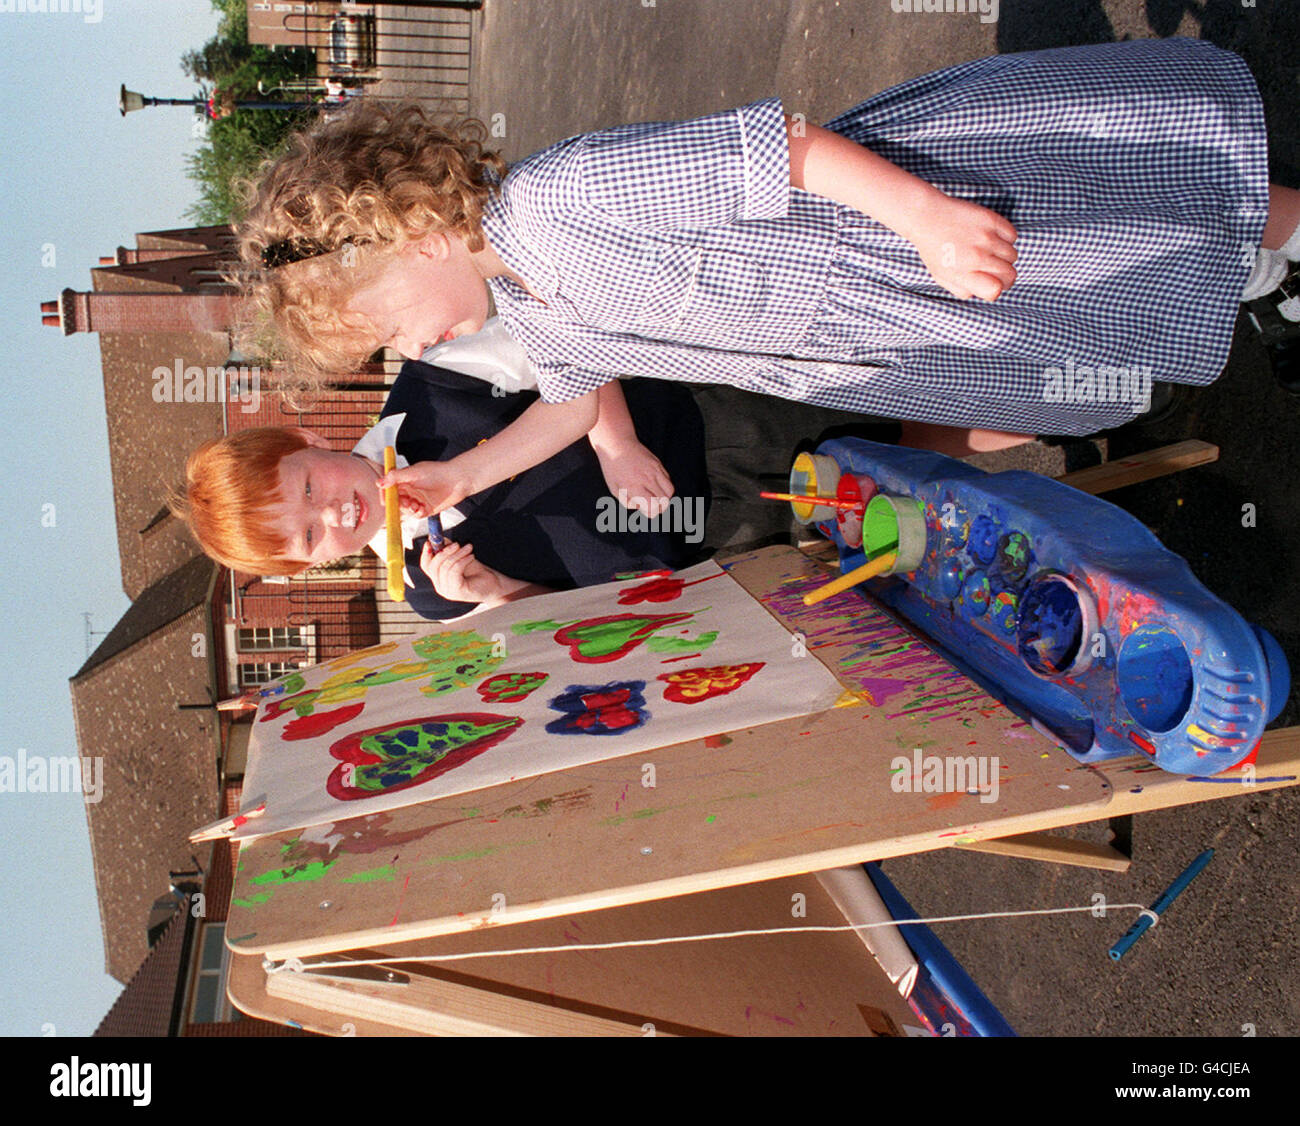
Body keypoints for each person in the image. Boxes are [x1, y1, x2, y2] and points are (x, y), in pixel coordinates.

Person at [238, 37, 1296, 517]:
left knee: (1105, 213)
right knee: (1099, 287)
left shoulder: (554, 199)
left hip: (883, 236)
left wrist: (922, 217)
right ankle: (1253, 274)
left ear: (409, 233)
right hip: (878, 333)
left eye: (386, 329)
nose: (409, 353)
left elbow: (774, 150)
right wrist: (460, 478)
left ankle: (1271, 233)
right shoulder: (526, 304)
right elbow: (571, 403)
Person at [175, 331, 897, 619]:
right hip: (715, 547)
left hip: (703, 427)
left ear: (307, 439)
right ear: (313, 566)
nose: (332, 515)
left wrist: (615, 444)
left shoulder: (431, 386)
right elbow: (561, 613)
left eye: (308, 488)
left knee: (889, 421)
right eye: (308, 538)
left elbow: (562, 344)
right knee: (890, 512)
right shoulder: (428, 591)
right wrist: (493, 592)